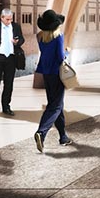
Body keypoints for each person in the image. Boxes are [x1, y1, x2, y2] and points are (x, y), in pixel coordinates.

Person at [33, 9, 74, 152]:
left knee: (57, 105)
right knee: (55, 107)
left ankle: (63, 137)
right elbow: (60, 57)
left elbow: (46, 54)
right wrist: (67, 51)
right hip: (57, 74)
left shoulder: (40, 37)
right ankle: (41, 132)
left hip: (46, 74)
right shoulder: (58, 37)